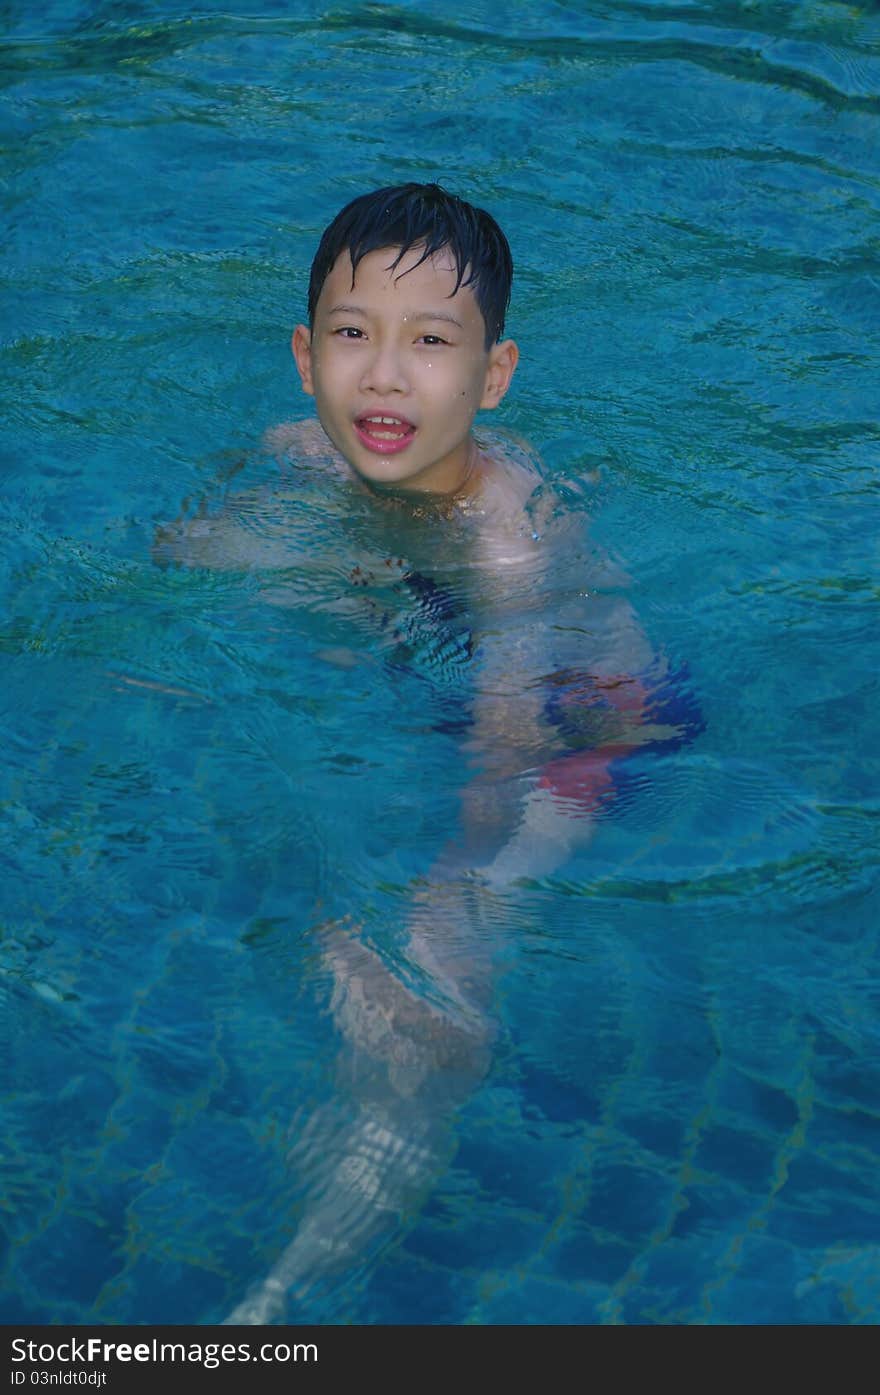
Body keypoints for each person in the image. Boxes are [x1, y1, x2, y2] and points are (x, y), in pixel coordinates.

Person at [157, 183, 698, 1322]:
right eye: (354, 336)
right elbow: (206, 514)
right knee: (228, 553)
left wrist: (448, 889)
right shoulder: (298, 447)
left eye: (432, 344)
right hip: (434, 650)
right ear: (305, 356)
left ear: (492, 377)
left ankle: (282, 1297)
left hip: (588, 726)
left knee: (432, 983)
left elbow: (508, 737)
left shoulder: (509, 532)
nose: (387, 376)